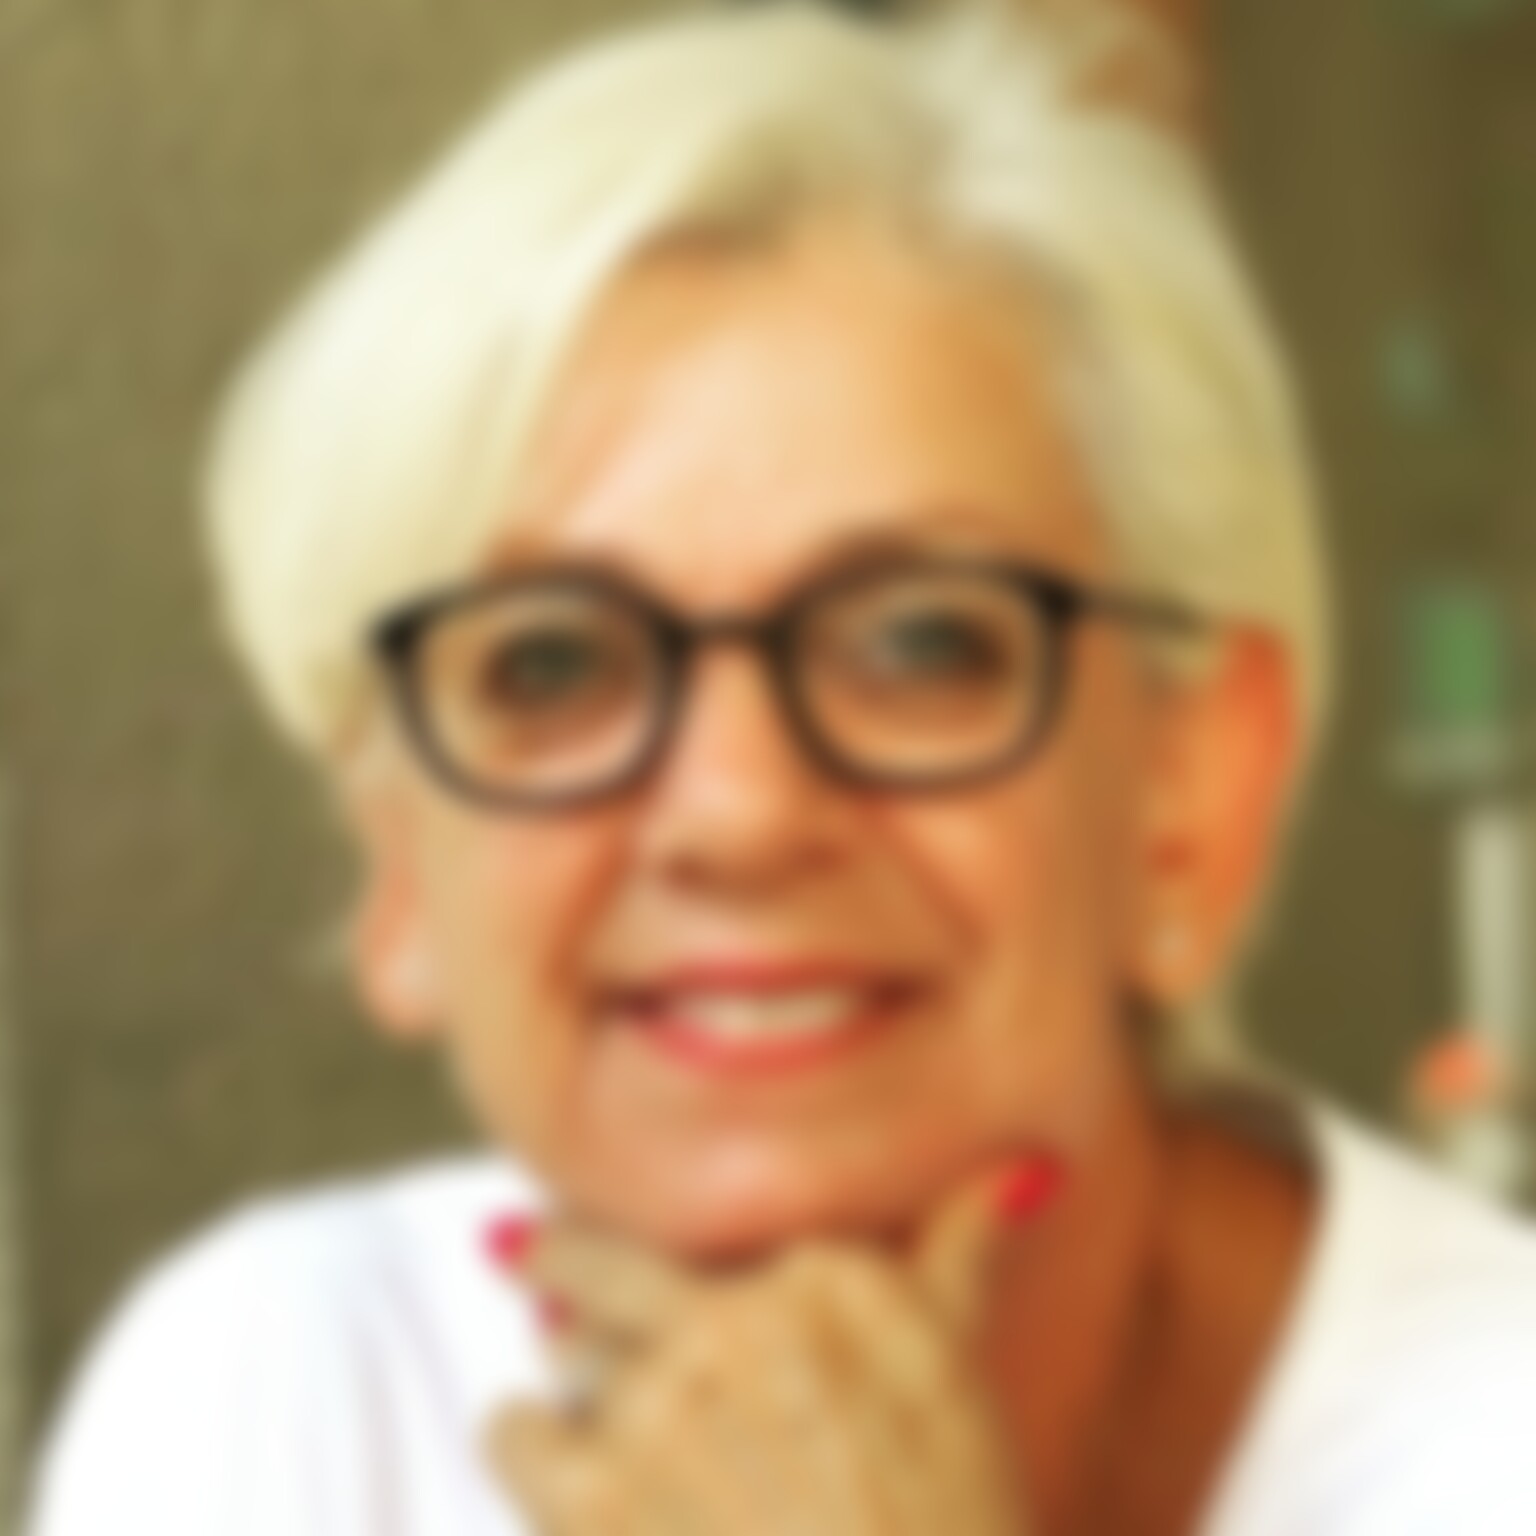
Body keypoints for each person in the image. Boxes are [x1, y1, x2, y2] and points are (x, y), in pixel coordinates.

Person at [26, 3, 1536, 1534]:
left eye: (917, 645)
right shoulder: (280, 1394)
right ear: (403, 860)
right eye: (551, 665)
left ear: (1186, 797)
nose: (738, 815)